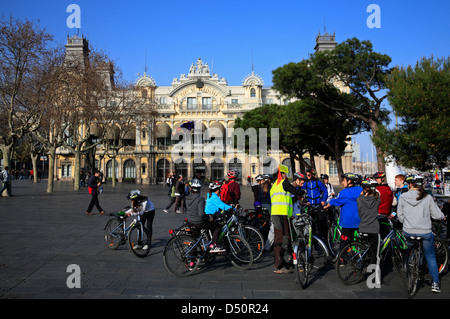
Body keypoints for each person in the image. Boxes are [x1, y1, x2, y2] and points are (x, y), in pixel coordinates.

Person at [397, 175, 445, 293]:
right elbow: (437, 215)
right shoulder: (427, 197)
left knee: (410, 246)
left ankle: (411, 262)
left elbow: (400, 216)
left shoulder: (403, 196)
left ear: (410, 185)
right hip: (425, 232)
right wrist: (443, 217)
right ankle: (435, 283)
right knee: (430, 256)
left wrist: (407, 222)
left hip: (408, 230)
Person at [270, 165, 305, 274]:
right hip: (282, 215)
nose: (287, 176)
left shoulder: (274, 185)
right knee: (282, 240)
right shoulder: (283, 183)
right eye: (286, 173)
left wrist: (296, 198)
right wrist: (302, 192)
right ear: (282, 174)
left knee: (280, 239)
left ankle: (284, 263)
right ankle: (279, 266)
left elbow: (287, 197)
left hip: (276, 214)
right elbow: (295, 191)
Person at [324, 173, 362, 254]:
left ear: (349, 181)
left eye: (344, 181)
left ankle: (341, 258)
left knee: (344, 241)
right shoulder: (360, 189)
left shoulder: (344, 192)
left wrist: (328, 204)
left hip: (348, 221)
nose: (342, 183)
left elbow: (336, 201)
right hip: (360, 220)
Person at [357, 179, 381, 265]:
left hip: (362, 227)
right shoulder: (376, 199)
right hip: (373, 229)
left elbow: (360, 214)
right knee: (375, 254)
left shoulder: (359, 199)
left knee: (365, 248)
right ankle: (373, 274)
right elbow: (378, 194)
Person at [205, 180, 233, 253]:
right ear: (218, 189)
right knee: (218, 226)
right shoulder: (214, 196)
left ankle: (217, 240)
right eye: (220, 188)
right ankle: (213, 244)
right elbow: (222, 205)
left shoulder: (211, 194)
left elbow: (219, 204)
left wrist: (227, 206)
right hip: (211, 214)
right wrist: (232, 208)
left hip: (213, 213)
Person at [302, 169, 328, 240]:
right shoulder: (306, 183)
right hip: (310, 205)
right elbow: (300, 189)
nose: (307, 176)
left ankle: (324, 238)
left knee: (321, 221)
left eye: (309, 175)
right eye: (306, 175)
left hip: (318, 204)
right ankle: (313, 239)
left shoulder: (318, 182)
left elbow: (325, 191)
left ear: (312, 174)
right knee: (311, 223)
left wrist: (323, 200)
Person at [372, 172, 394, 239]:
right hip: (386, 215)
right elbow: (394, 203)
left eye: (377, 178)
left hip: (377, 215)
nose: (376, 180)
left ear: (382, 179)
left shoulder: (377, 190)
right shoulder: (390, 189)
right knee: (385, 236)